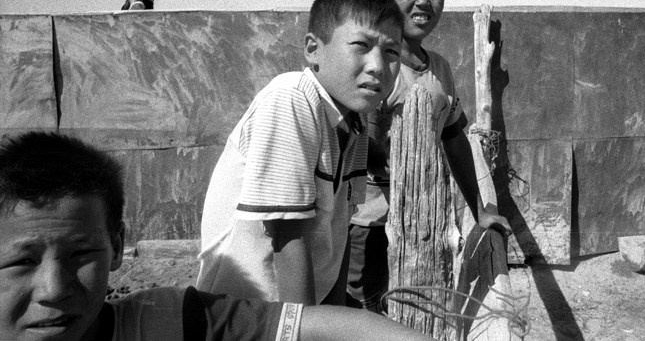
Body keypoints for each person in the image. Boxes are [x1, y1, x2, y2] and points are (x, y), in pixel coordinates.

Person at [0, 131, 430, 341]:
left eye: (81, 254)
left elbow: (321, 326)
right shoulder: (290, 104)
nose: (54, 289)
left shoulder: (168, 321)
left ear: (116, 246)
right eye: (21, 261)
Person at [197, 0, 404, 306]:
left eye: (391, 51)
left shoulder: (354, 127)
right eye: (361, 45)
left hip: (298, 315)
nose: (378, 65)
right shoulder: (292, 98)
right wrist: (312, 329)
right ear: (313, 50)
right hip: (242, 319)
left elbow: (339, 238)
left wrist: (334, 321)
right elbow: (287, 236)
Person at [347, 0, 512, 312]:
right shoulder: (369, 66)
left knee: (422, 306)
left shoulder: (439, 69)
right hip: (371, 222)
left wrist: (480, 210)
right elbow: (356, 142)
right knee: (367, 314)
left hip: (428, 223)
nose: (423, 1)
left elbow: (454, 139)